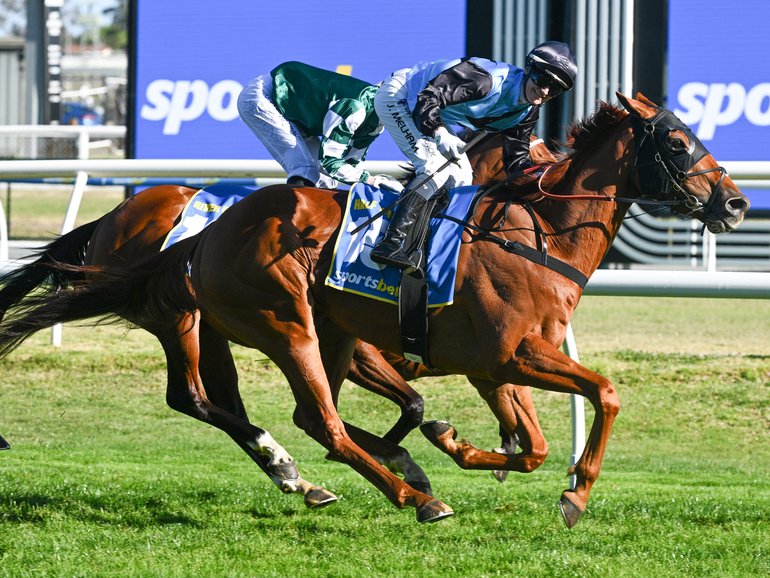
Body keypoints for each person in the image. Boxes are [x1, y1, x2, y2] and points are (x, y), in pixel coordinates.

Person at [370, 41, 578, 270]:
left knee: (462, 177)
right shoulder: (485, 80)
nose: (545, 91)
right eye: (542, 80)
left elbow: (516, 161)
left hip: (425, 113)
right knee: (433, 168)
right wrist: (439, 132)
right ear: (529, 69)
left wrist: (544, 176)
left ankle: (420, 245)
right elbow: (427, 98)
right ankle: (390, 243)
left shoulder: (528, 111)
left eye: (555, 89)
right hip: (399, 96)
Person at [237, 60, 403, 190]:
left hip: (290, 109)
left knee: (326, 181)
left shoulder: (377, 124)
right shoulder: (355, 108)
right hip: (263, 96)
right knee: (305, 169)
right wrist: (373, 180)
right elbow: (330, 162)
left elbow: (348, 165)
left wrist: (370, 182)